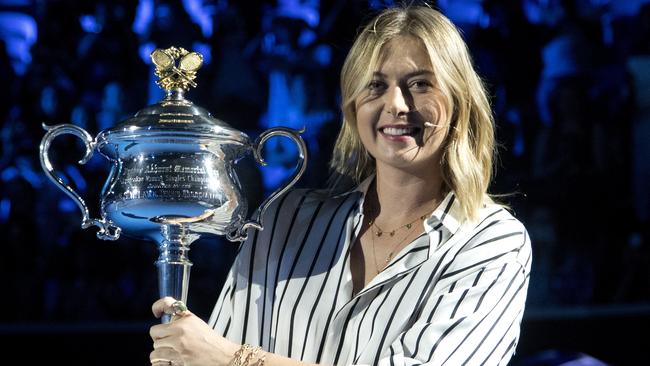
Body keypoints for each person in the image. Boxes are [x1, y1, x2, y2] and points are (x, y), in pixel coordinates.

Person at [149, 5, 532, 366]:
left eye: (420, 83)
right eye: (376, 86)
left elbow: (223, 355)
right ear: (352, 108)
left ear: (460, 101)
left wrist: (235, 359)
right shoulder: (286, 220)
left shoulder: (493, 242)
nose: (396, 104)